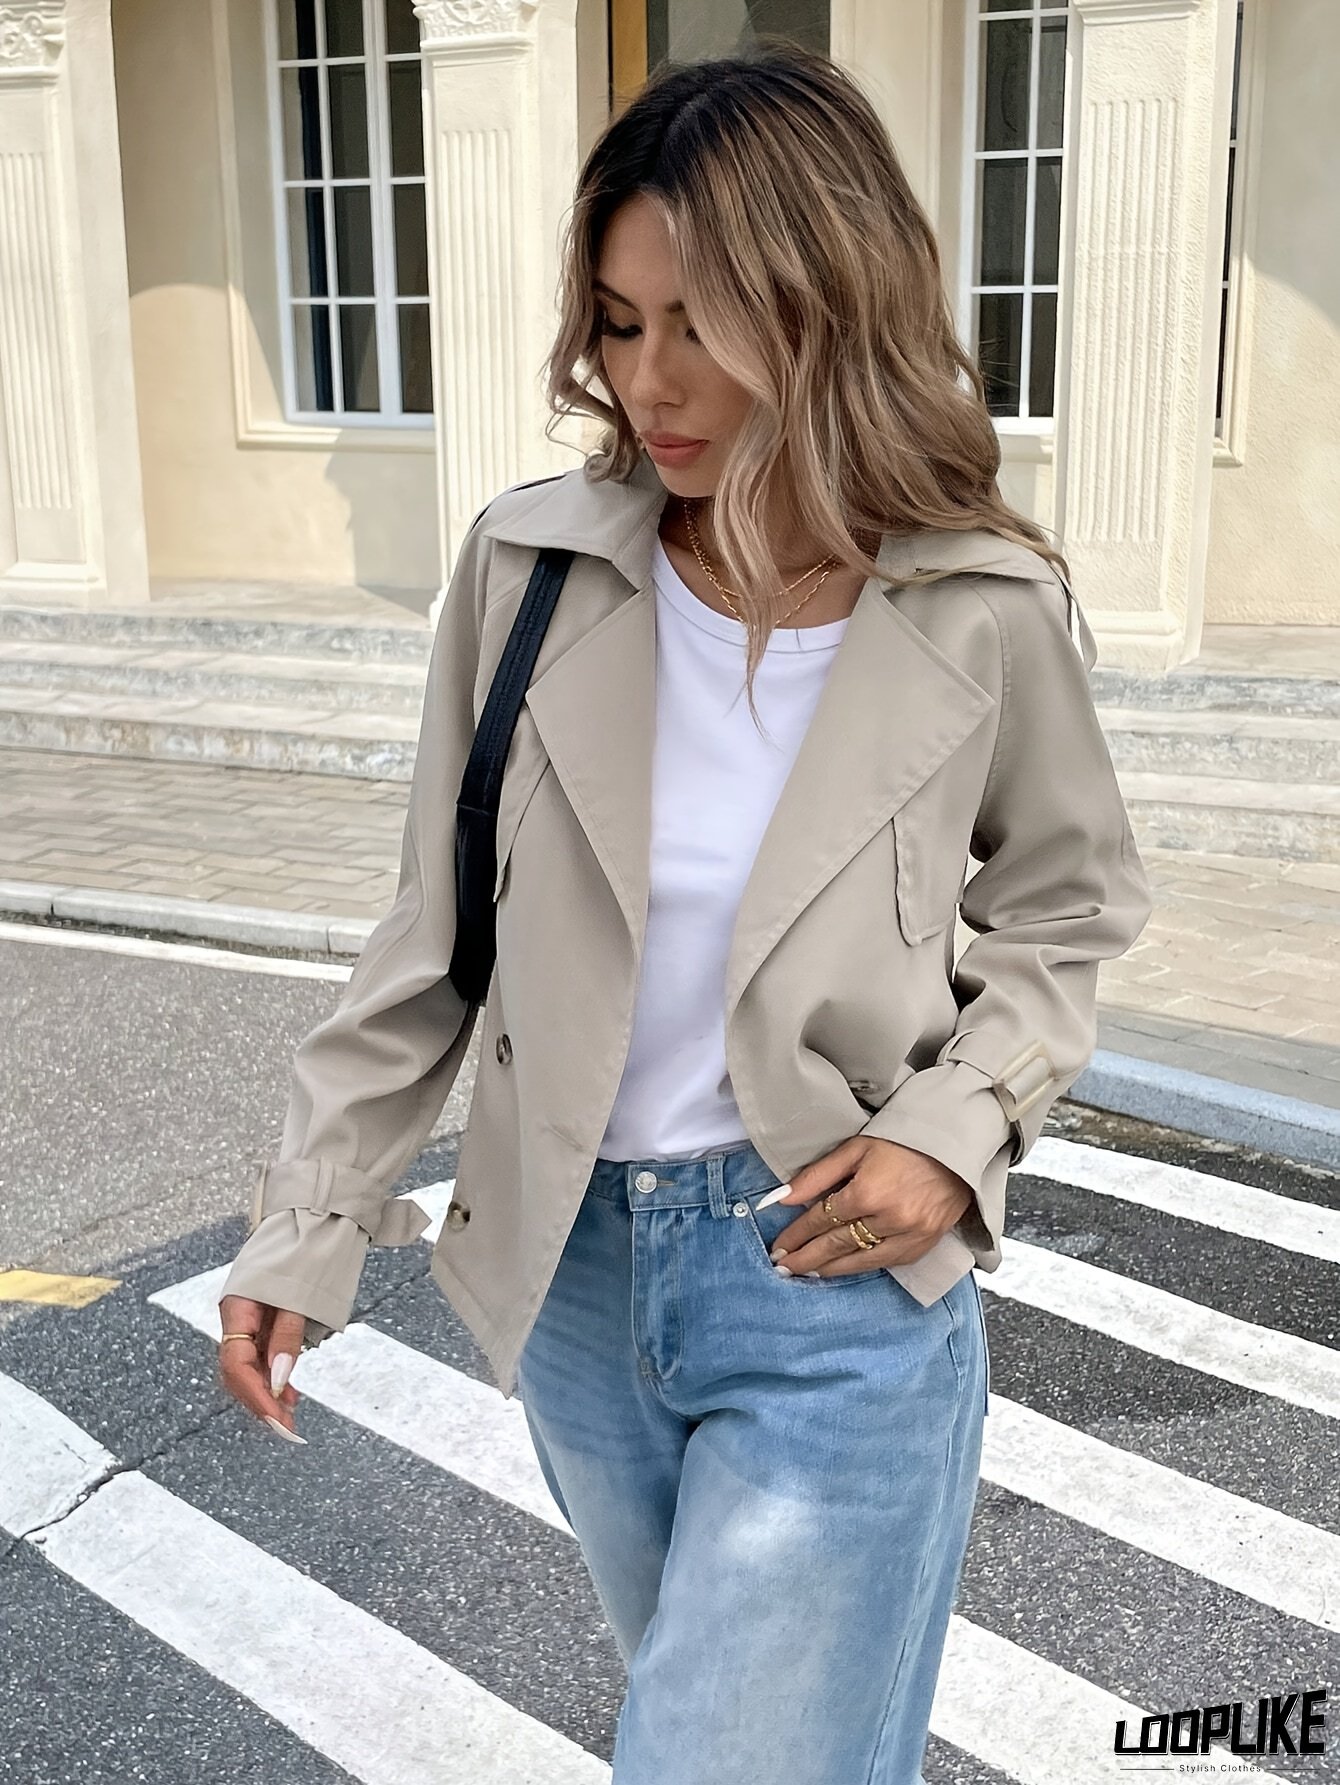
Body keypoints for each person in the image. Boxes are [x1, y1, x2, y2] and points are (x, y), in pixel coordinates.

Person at [217, 40, 1153, 1784]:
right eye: (620, 321)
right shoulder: (532, 569)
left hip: (831, 1278)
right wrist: (308, 1219)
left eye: (702, 326)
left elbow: (1067, 908)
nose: (650, 381)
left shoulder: (977, 606)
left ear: (827, 311)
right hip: (576, 1282)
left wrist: (954, 1129)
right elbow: (432, 938)